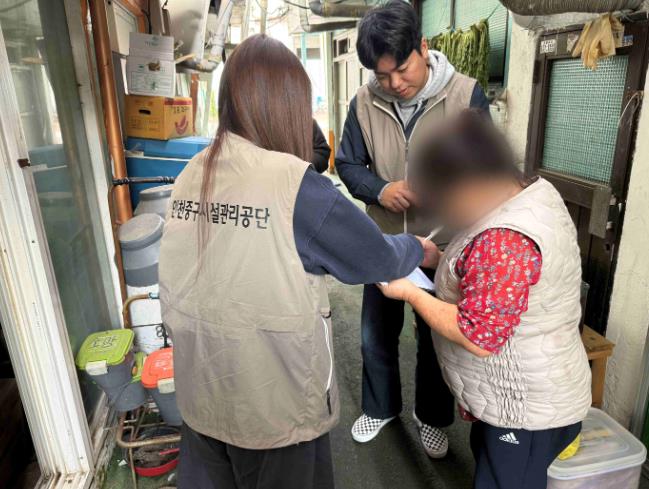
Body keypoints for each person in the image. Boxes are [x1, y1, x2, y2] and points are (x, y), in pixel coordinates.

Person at [158, 34, 438, 489]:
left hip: (201, 389)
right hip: (272, 402)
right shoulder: (295, 186)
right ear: (288, 105)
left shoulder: (194, 170)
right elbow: (374, 257)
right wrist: (418, 248)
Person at [378, 110, 592, 489]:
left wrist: (409, 291)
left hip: (524, 411)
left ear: (471, 183)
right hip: (528, 393)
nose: (444, 212)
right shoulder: (529, 193)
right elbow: (494, 286)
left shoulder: (504, 240)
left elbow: (478, 334)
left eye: (444, 201)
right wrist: (437, 260)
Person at [335, 0, 490, 457]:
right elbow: (347, 163)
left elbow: (485, 170)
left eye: (402, 69)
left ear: (423, 48)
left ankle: (432, 418)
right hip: (382, 242)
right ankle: (380, 407)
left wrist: (447, 192)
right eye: (382, 76)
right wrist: (380, 189)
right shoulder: (363, 103)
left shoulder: (465, 96)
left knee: (434, 336)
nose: (394, 84)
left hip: (442, 245)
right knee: (375, 333)